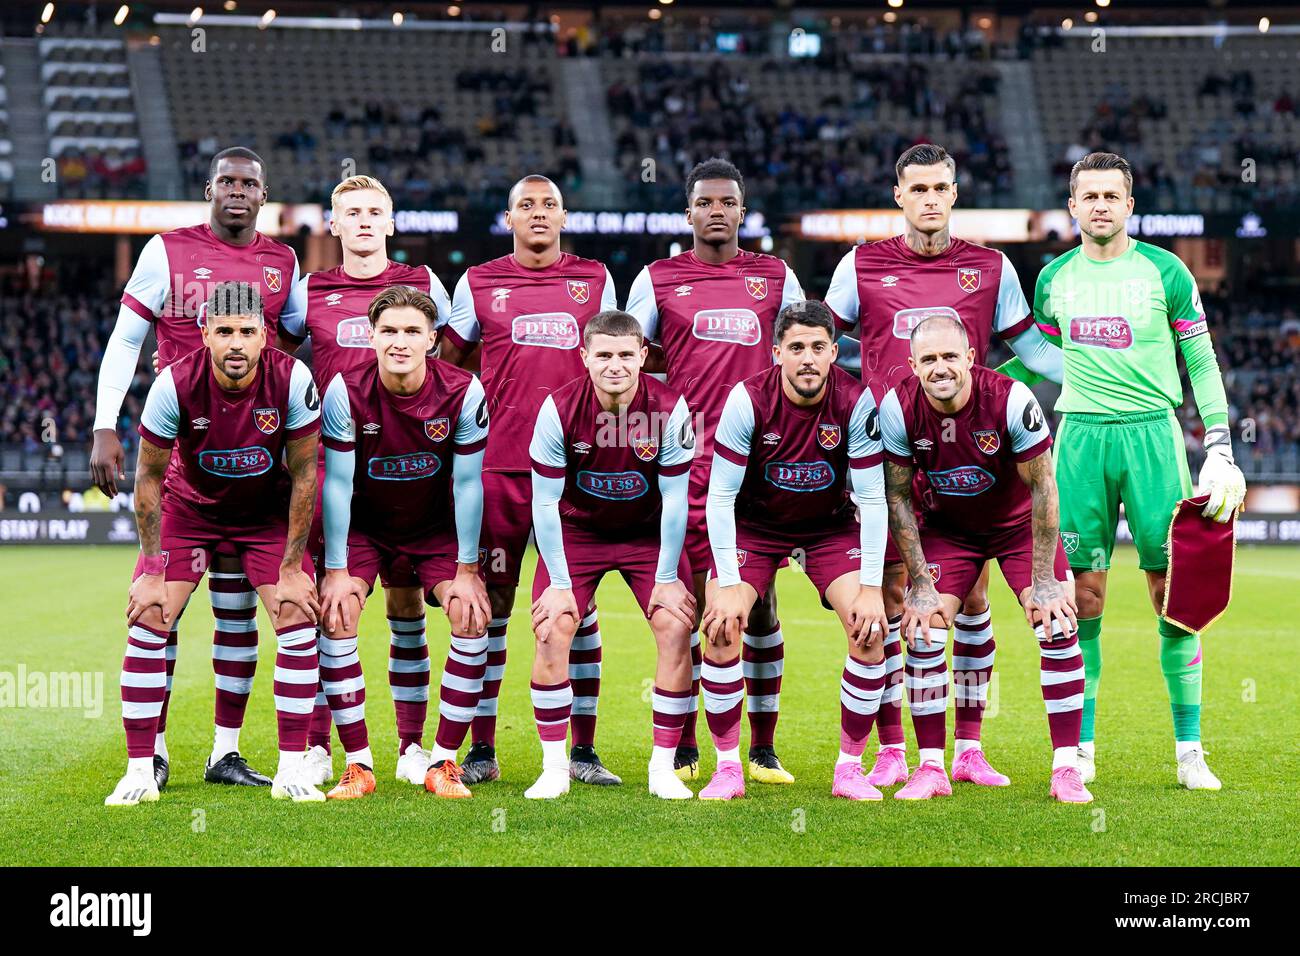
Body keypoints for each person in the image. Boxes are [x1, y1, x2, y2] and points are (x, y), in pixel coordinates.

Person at [824, 143, 1063, 789]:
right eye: (917, 189)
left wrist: (1100, 378)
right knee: (900, 596)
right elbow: (825, 342)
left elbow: (1031, 348)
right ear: (898, 196)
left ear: (954, 195)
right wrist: (864, 393)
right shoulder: (862, 264)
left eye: (940, 188)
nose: (929, 199)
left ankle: (967, 749)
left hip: (964, 455)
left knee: (971, 595)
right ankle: (898, 748)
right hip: (889, 457)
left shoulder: (989, 266)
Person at [92, 147, 305, 790]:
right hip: (181, 447)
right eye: (226, 182)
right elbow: (128, 339)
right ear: (209, 189)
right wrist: (106, 424)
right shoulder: (166, 250)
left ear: (263, 195)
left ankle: (225, 752)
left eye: (249, 184)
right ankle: (150, 750)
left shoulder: (282, 261)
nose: (237, 192)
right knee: (162, 607)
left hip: (253, 462)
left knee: (237, 611)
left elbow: (299, 332)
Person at [1030, 152, 1245, 789]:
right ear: (1072, 207)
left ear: (1129, 205)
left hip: (1155, 437)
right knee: (1082, 599)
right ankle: (1081, 749)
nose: (1099, 206)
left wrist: (1221, 444)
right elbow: (1036, 358)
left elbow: (1201, 361)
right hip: (1081, 442)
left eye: (1111, 196)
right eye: (1087, 196)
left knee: (1172, 597)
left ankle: (1189, 753)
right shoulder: (1053, 279)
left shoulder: (1166, 271)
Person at [105, 282, 322, 805]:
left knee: (295, 611)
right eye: (223, 331)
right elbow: (148, 480)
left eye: (247, 332)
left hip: (262, 514)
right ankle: (139, 769)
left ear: (265, 335)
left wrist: (292, 564)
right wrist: (154, 569)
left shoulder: (293, 379)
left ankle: (291, 767)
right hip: (189, 510)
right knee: (151, 615)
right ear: (203, 334)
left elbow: (306, 472)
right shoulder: (173, 384)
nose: (235, 344)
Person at [625, 157, 805, 784]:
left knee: (759, 605)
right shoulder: (656, 279)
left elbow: (802, 351)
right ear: (689, 212)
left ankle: (762, 746)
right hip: (690, 465)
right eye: (705, 202)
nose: (717, 212)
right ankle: (687, 743)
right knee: (698, 605)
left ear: (742, 210)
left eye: (728, 201)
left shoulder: (775, 277)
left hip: (765, 463)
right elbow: (629, 363)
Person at [438, 175, 620, 786]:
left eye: (548, 205)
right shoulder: (478, 282)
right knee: (490, 611)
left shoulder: (593, 279)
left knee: (577, 612)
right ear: (508, 217)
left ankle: (584, 750)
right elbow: (449, 361)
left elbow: (615, 359)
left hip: (576, 473)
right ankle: (482, 749)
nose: (538, 214)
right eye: (526, 206)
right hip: (499, 468)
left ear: (564, 215)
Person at [279, 174, 453, 789]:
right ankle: (327, 749)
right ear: (333, 223)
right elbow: (278, 357)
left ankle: (411, 747)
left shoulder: (425, 286)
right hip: (335, 476)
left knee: (409, 609)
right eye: (350, 212)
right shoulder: (309, 291)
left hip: (409, 475)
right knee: (333, 610)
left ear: (391, 221)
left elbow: (450, 364)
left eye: (374, 211)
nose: (362, 222)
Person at [880, 314, 1090, 802]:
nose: (940, 368)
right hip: (949, 530)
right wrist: (920, 582)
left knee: (1056, 622)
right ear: (912, 365)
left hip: (1018, 527)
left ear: (971, 358)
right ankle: (933, 767)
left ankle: (1066, 768)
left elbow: (1043, 485)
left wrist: (1043, 578)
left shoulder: (1012, 400)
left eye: (950, 356)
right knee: (926, 626)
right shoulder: (897, 408)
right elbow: (897, 497)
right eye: (928, 359)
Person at [701, 301, 890, 801]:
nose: (808, 358)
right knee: (720, 626)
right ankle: (727, 767)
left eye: (818, 347)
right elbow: (718, 496)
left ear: (833, 351)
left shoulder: (855, 401)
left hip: (828, 529)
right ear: (777, 352)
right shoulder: (747, 400)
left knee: (869, 631)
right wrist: (723, 580)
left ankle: (849, 768)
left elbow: (872, 498)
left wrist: (871, 588)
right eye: (797, 347)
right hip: (756, 527)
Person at [317, 285, 490, 800]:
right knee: (339, 610)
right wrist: (334, 568)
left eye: (412, 331)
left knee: (469, 613)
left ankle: (442, 761)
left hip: (434, 528)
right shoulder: (344, 391)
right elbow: (338, 484)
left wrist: (466, 569)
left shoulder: (463, 390)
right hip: (365, 527)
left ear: (432, 339)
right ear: (370, 336)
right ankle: (359, 764)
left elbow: (467, 484)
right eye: (389, 331)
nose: (400, 341)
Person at [525, 310, 696, 800]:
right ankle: (555, 768)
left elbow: (677, 498)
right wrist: (558, 583)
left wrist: (666, 576)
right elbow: (544, 502)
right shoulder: (557, 410)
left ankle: (662, 767)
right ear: (585, 358)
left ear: (644, 356)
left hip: (646, 533)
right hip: (579, 531)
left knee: (675, 625)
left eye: (625, 354)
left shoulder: (672, 407)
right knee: (552, 627)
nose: (614, 365)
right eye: (603, 355)